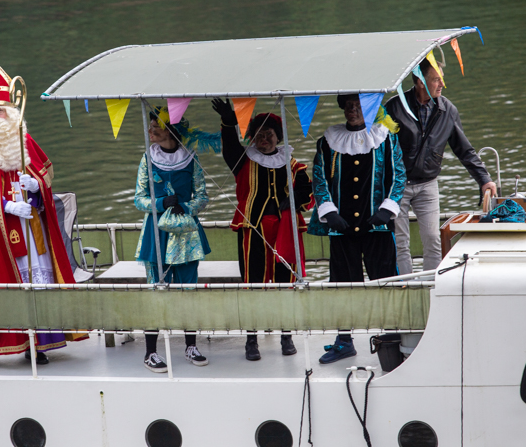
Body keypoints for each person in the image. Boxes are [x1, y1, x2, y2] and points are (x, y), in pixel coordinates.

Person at [0, 61, 84, 373]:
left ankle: (36, 343)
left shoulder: (25, 143)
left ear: (12, 112)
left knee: (36, 290)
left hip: (31, 231)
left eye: (2, 110)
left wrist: (36, 189)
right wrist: (5, 206)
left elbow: (45, 181)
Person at [211, 98, 312, 361]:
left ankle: (286, 335)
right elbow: (230, 145)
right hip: (252, 231)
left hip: (285, 232)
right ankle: (251, 340)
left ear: (278, 137)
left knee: (285, 283)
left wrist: (288, 201)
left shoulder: (294, 165)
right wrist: (229, 121)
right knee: (252, 283)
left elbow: (306, 193)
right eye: (258, 134)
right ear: (253, 137)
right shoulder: (242, 160)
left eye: (269, 134)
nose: (264, 139)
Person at [309, 95, 406, 364]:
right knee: (342, 284)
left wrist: (386, 210)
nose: (353, 111)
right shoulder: (329, 141)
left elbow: (398, 175)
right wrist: (329, 211)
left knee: (384, 281)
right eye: (349, 106)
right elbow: (319, 178)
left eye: (359, 106)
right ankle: (344, 341)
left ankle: (392, 336)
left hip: (376, 226)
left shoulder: (385, 138)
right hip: (342, 228)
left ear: (371, 108)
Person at [385, 59, 497, 274]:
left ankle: (432, 287)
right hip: (396, 185)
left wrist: (484, 179)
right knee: (399, 242)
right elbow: (379, 150)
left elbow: (464, 149)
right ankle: (404, 287)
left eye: (441, 79)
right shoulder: (395, 107)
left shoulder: (447, 110)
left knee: (433, 239)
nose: (442, 85)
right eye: (436, 80)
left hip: (428, 185)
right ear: (419, 81)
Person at [134, 107, 220, 373]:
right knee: (155, 291)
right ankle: (150, 352)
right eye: (150, 126)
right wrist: (161, 202)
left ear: (171, 129)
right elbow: (139, 199)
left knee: (188, 291)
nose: (150, 131)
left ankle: (190, 346)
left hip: (186, 234)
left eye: (155, 126)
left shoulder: (191, 159)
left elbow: (202, 197)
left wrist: (187, 207)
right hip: (156, 233)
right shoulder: (147, 159)